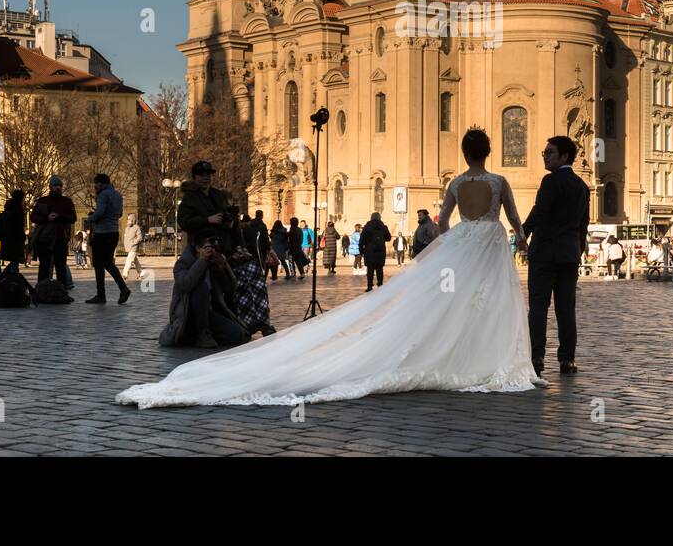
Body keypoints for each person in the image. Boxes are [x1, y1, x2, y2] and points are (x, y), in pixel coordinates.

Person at [118, 128, 540, 408]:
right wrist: (519, 238)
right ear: (488, 151)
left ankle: (454, 352)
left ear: (465, 153)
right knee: (491, 302)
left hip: (462, 242)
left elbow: (444, 221)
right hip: (487, 245)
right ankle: (482, 357)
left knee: (447, 302)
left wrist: (451, 239)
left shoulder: (456, 183)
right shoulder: (498, 183)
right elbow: (515, 219)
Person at [522, 135, 590, 377]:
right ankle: (567, 359)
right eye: (544, 152)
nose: (545, 155)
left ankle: (537, 357)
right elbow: (584, 224)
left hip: (544, 254)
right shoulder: (582, 186)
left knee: (538, 306)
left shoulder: (550, 182)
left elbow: (540, 211)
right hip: (569, 255)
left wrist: (523, 233)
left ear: (564, 156)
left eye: (549, 152)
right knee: (566, 309)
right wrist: (578, 249)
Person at [157, 226, 251, 349]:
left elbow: (230, 288)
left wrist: (224, 267)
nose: (211, 250)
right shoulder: (183, 263)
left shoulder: (214, 261)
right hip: (187, 314)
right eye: (208, 246)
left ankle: (195, 336)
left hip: (209, 312)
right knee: (201, 288)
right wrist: (201, 261)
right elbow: (186, 284)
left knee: (238, 335)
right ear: (197, 248)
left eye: (213, 246)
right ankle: (200, 334)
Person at [85, 173, 130, 305]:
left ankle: (101, 295)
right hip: (114, 232)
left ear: (102, 183)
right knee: (109, 263)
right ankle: (123, 288)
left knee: (98, 264)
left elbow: (100, 213)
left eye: (96, 184)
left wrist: (90, 219)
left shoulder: (103, 195)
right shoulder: (118, 195)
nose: (94, 186)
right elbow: (120, 213)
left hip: (102, 233)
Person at [31, 176, 76, 288]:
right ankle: (42, 289)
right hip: (45, 238)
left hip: (60, 237)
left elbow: (72, 218)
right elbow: (33, 217)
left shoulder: (66, 201)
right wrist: (47, 217)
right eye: (56, 185)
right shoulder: (42, 200)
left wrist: (59, 216)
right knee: (44, 266)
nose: (58, 187)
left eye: (60, 185)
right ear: (50, 187)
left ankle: (62, 289)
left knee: (60, 266)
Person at [360, 212, 391, 291]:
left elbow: (361, 241)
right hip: (380, 252)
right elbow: (388, 238)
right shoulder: (383, 227)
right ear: (379, 218)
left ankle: (369, 286)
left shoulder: (367, 227)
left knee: (370, 269)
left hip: (369, 252)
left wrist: (362, 251)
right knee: (379, 269)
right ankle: (380, 284)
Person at [0, 190, 26, 266]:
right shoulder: (18, 209)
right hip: (16, 240)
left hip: (6, 240)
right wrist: (23, 237)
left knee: (12, 261)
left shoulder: (7, 209)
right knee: (15, 261)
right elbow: (19, 226)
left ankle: (8, 276)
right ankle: (9, 276)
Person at [123, 213, 144, 281]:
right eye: (127, 219)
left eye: (129, 219)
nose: (127, 220)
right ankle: (141, 274)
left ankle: (125, 274)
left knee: (129, 260)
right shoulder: (127, 228)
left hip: (133, 247)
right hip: (129, 247)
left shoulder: (136, 227)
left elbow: (140, 237)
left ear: (132, 219)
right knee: (135, 261)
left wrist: (133, 242)